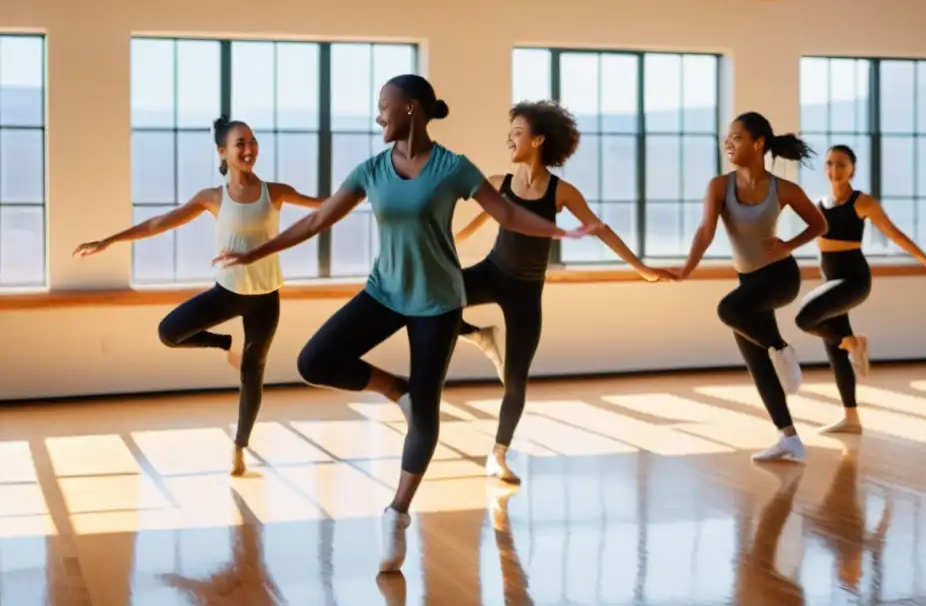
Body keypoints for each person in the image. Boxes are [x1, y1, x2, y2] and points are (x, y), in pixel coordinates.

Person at [213, 75, 597, 573]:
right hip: (384, 293)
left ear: (411, 109)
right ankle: (399, 392)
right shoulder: (372, 170)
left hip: (438, 303)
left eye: (383, 107)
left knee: (429, 410)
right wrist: (256, 250)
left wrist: (560, 228)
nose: (378, 116)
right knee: (315, 360)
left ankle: (396, 513)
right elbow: (317, 220)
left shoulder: (453, 168)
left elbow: (505, 212)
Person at [73, 117, 322, 476]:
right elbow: (159, 223)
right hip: (228, 293)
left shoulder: (276, 191)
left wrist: (371, 190)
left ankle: (240, 446)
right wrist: (109, 240)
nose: (249, 149)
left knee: (253, 373)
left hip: (266, 298)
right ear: (222, 151)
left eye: (253, 142)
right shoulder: (213, 198)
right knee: (169, 333)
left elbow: (324, 205)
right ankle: (224, 344)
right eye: (240, 143)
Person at [454, 100, 675, 483]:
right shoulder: (497, 184)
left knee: (516, 380)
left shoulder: (561, 192)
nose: (509, 139)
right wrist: (438, 246)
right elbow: (472, 227)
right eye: (509, 133)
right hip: (491, 272)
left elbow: (599, 229)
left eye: (517, 133)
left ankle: (498, 455)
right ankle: (479, 336)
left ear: (538, 140)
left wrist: (642, 269)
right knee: (426, 298)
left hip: (525, 292)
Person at [668, 112, 827, 462]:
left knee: (728, 310)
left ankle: (782, 348)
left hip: (780, 278)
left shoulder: (782, 188)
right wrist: (686, 269)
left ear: (758, 143)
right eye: (727, 137)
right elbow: (705, 232)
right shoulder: (720, 186)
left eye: (737, 137)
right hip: (749, 283)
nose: (728, 143)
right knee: (757, 363)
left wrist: (789, 244)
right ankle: (789, 438)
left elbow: (819, 223)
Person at [794, 144, 926, 434]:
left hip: (854, 281)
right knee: (834, 347)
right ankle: (851, 418)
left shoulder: (862, 202)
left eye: (841, 164)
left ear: (852, 169)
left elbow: (895, 234)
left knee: (805, 317)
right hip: (831, 282)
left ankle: (856, 343)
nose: (835, 169)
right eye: (830, 163)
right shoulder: (818, 205)